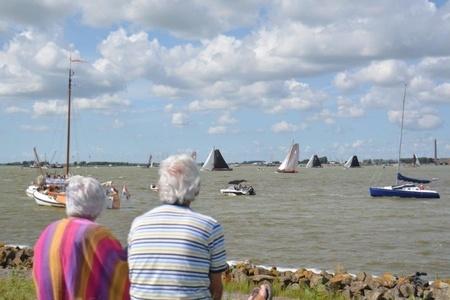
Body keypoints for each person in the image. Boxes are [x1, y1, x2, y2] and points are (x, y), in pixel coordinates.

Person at [128, 154, 271, 300]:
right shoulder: (209, 227)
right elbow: (216, 290)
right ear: (196, 190)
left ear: (159, 188)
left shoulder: (137, 225)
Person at [33, 175, 130, 300]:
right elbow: (120, 278)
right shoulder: (98, 235)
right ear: (100, 205)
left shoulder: (48, 232)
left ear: (68, 202)